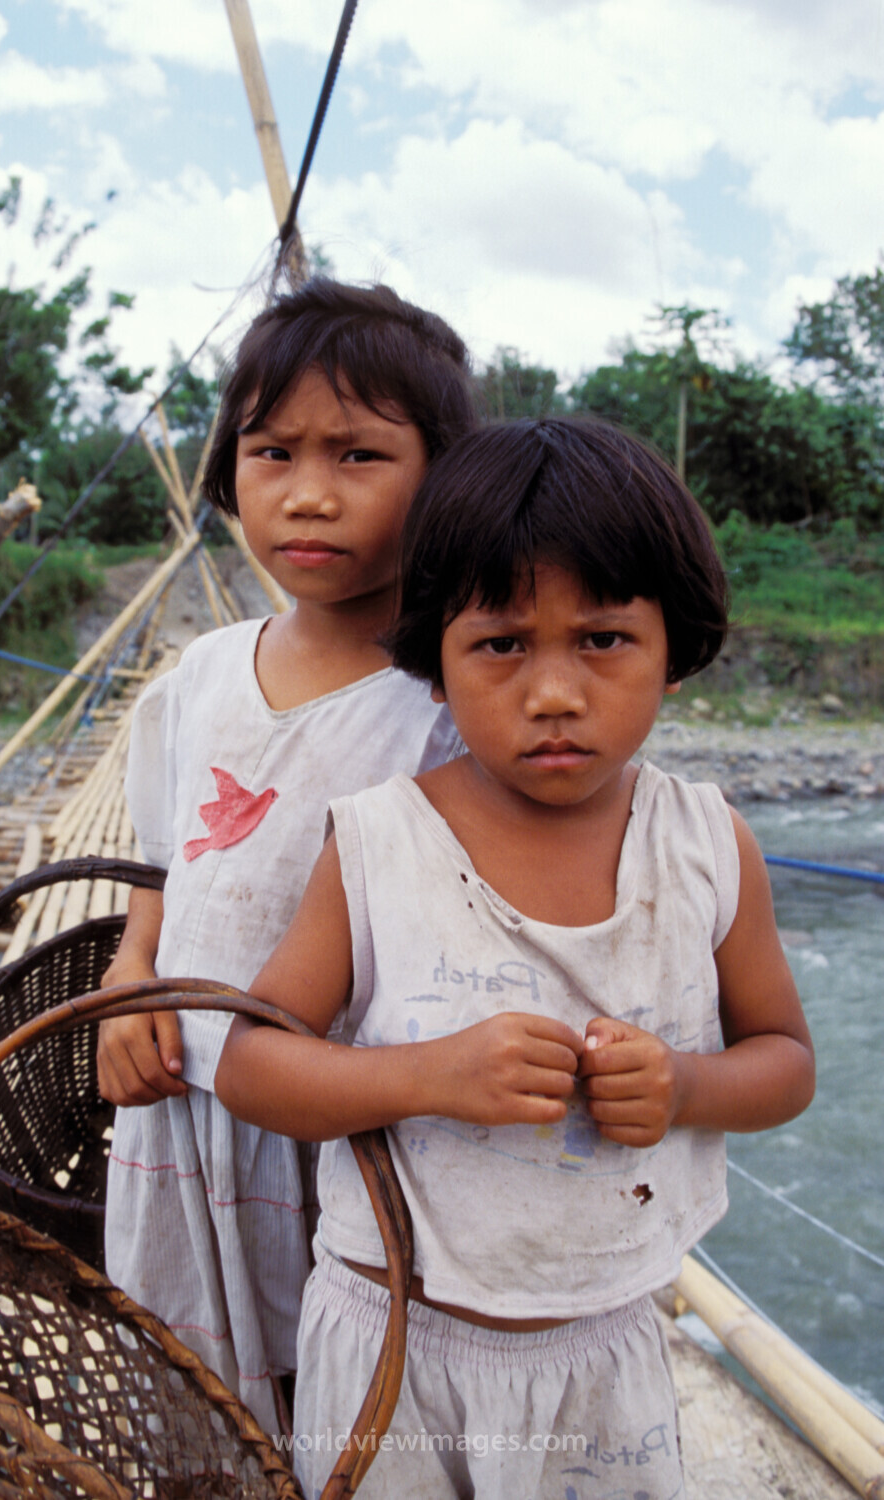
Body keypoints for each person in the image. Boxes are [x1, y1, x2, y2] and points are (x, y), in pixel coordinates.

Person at [217, 416, 816, 1499]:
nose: (552, 693)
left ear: (671, 650)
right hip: (394, 1345)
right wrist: (427, 1076)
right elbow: (251, 1064)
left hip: (607, 1345)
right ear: (434, 666)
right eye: (500, 645)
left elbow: (782, 1060)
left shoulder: (705, 844)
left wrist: (684, 1085)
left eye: (602, 639)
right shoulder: (377, 842)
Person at [96, 277, 478, 1437]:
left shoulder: (446, 707)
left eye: (360, 456)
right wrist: (126, 983)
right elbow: (165, 872)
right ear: (228, 475)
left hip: (339, 1126)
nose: (308, 496)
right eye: (271, 453)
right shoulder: (197, 680)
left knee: (336, 1388)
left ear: (442, 478)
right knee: (187, 1380)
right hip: (174, 1110)